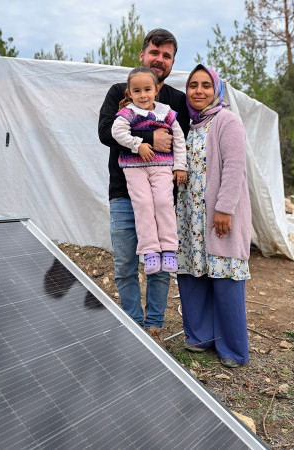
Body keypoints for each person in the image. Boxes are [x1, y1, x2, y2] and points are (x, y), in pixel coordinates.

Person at [98, 29, 189, 342]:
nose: (159, 59)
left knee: (161, 266)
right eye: (154, 52)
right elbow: (106, 133)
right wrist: (149, 138)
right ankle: (132, 326)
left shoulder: (177, 101)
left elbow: (180, 141)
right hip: (124, 194)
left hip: (163, 192)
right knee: (125, 264)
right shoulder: (119, 92)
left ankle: (154, 326)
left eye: (166, 56)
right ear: (142, 55)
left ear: (172, 62)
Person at [176, 64, 252, 368]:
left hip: (217, 216)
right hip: (190, 217)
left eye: (206, 85)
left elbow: (235, 167)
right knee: (193, 275)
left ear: (216, 90)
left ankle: (233, 349)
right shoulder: (191, 125)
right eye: (193, 85)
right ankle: (200, 336)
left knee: (225, 278)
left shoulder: (226, 120)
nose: (198, 91)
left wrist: (224, 209)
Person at [110, 66, 186, 275]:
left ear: (156, 90)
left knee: (164, 202)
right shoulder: (128, 113)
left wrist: (180, 166)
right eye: (137, 91)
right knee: (143, 204)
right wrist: (138, 145)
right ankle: (150, 251)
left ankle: (169, 249)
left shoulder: (166, 112)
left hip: (162, 166)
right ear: (129, 93)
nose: (142, 95)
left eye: (147, 90)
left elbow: (179, 138)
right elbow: (116, 132)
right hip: (134, 168)